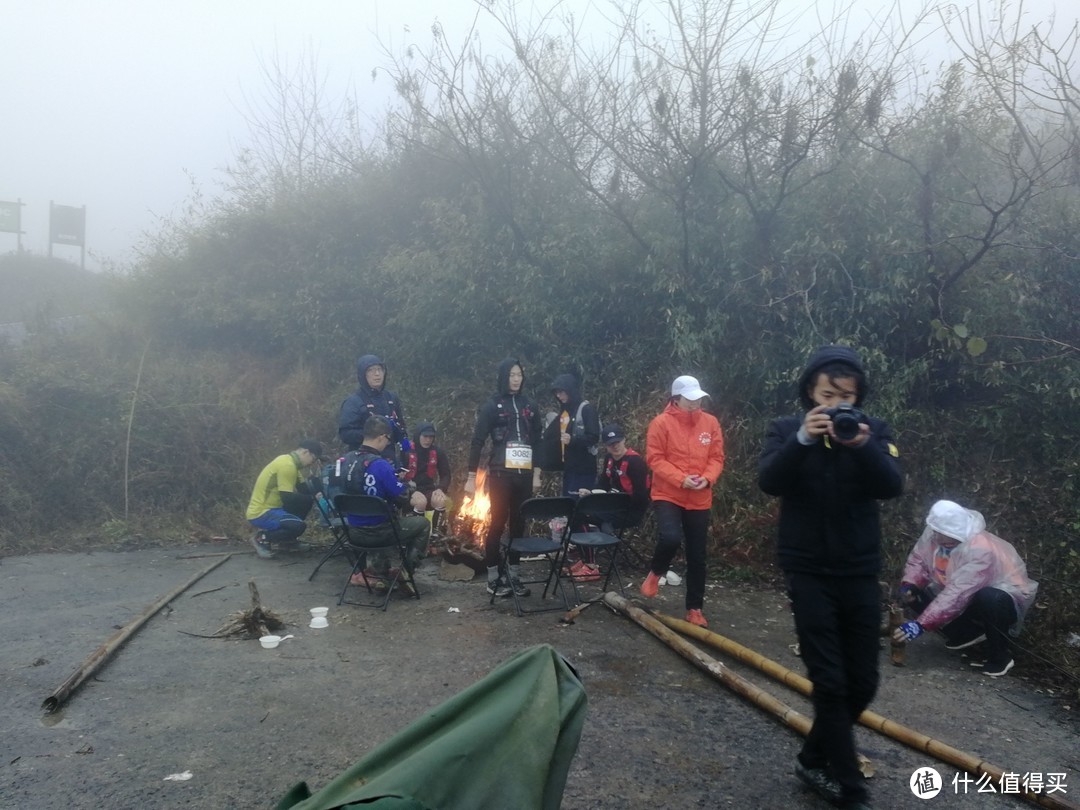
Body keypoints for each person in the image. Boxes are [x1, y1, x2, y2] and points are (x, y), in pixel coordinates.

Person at [758, 345, 903, 810]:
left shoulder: (872, 432)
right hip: (807, 569)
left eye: (848, 397)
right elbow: (769, 481)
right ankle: (850, 786)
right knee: (830, 681)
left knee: (863, 682)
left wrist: (861, 444)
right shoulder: (785, 430)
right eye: (828, 395)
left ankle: (812, 755)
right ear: (809, 392)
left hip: (860, 569)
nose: (838, 405)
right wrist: (802, 439)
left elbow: (892, 485)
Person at [893, 500, 1038, 678]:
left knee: (989, 598)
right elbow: (919, 560)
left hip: (1003, 596)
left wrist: (921, 624)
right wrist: (910, 584)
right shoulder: (935, 533)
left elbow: (958, 593)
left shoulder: (980, 550)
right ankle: (967, 634)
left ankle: (1000, 657)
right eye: (935, 530)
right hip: (966, 592)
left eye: (939, 532)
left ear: (951, 531)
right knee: (916, 594)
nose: (934, 535)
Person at [638, 376, 725, 628]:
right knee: (670, 538)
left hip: (700, 497)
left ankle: (694, 608)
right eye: (690, 398)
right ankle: (656, 572)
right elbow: (655, 459)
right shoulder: (660, 423)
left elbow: (717, 457)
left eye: (698, 398)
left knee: (697, 555)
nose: (695, 403)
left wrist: (707, 479)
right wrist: (681, 479)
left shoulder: (710, 423)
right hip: (668, 493)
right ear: (676, 398)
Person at [464, 357, 543, 599]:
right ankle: (493, 577)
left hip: (525, 474)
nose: (516, 379)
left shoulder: (530, 405)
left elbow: (538, 440)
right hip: (500, 473)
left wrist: (538, 473)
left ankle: (514, 575)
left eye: (519, 375)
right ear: (503, 377)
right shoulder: (492, 405)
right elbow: (477, 441)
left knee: (519, 526)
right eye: (512, 375)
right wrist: (470, 477)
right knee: (497, 523)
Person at [339, 416, 430, 585]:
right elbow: (402, 497)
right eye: (388, 439)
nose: (388, 444)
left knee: (376, 515)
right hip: (380, 533)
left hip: (353, 532)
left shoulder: (345, 460)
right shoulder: (380, 465)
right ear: (381, 437)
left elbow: (339, 492)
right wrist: (409, 487)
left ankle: (377, 571)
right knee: (422, 524)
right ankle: (406, 573)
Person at [572, 424, 651, 581]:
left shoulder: (635, 462)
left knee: (583, 515)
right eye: (610, 444)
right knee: (576, 513)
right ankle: (586, 559)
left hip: (631, 511)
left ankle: (591, 566)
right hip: (613, 507)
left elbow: (641, 496)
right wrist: (591, 492)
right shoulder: (609, 459)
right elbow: (603, 484)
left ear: (624, 440)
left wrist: (614, 502)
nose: (615, 447)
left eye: (617, 442)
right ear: (606, 446)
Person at [245, 439, 325, 559]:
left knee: (306, 501)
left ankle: (287, 542)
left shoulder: (291, 463)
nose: (311, 463)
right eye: (313, 459)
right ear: (305, 452)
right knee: (299, 526)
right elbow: (287, 498)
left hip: (275, 508)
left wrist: (319, 486)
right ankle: (261, 538)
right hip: (261, 512)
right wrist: (314, 498)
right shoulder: (287, 465)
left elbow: (303, 489)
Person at [338, 354, 410, 463]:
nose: (377, 374)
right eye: (371, 370)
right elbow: (346, 434)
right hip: (363, 461)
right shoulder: (353, 401)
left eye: (379, 369)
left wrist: (404, 445)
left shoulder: (391, 398)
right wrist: (373, 435)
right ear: (363, 375)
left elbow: (401, 426)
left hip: (390, 459)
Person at [405, 421, 453, 536]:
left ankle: (436, 535)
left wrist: (441, 488)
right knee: (421, 502)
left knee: (441, 500)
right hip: (409, 490)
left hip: (428, 488)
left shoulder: (437, 452)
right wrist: (410, 490)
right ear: (418, 436)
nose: (428, 440)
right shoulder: (406, 451)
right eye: (425, 436)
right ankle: (419, 534)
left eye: (431, 437)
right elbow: (397, 475)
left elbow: (446, 474)